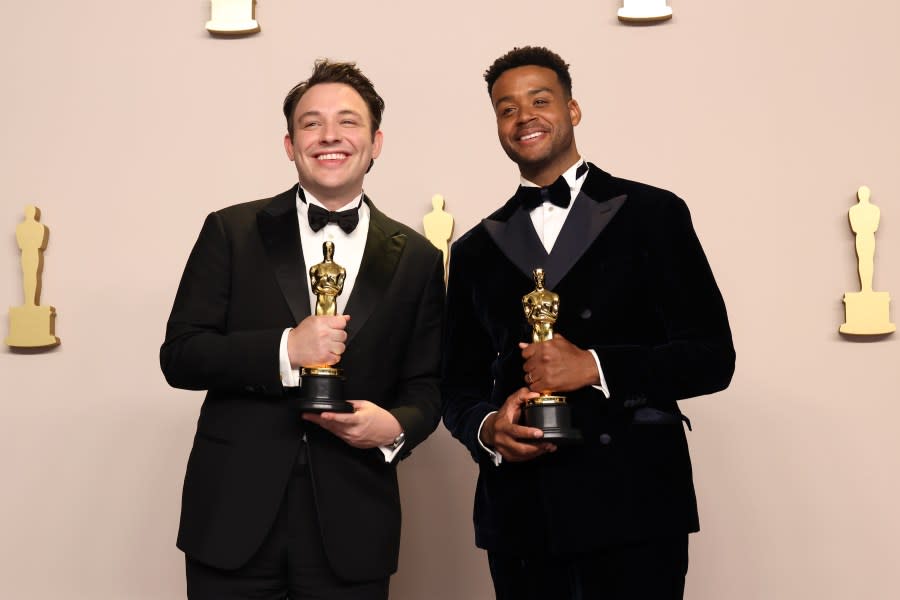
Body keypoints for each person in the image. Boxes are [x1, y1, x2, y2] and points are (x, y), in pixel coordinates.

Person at [441, 46, 735, 599]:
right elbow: (455, 385)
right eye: (506, 108)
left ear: (573, 110)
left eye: (540, 100)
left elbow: (713, 357)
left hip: (637, 506)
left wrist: (595, 366)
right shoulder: (475, 249)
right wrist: (487, 429)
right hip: (522, 518)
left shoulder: (655, 214)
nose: (523, 116)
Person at [160, 59, 444, 599]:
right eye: (311, 123)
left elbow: (427, 385)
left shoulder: (420, 258)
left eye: (348, 121)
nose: (330, 135)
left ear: (376, 142)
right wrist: (287, 348)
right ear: (290, 145)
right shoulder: (230, 230)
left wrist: (397, 428)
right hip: (230, 518)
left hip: (355, 523)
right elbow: (180, 355)